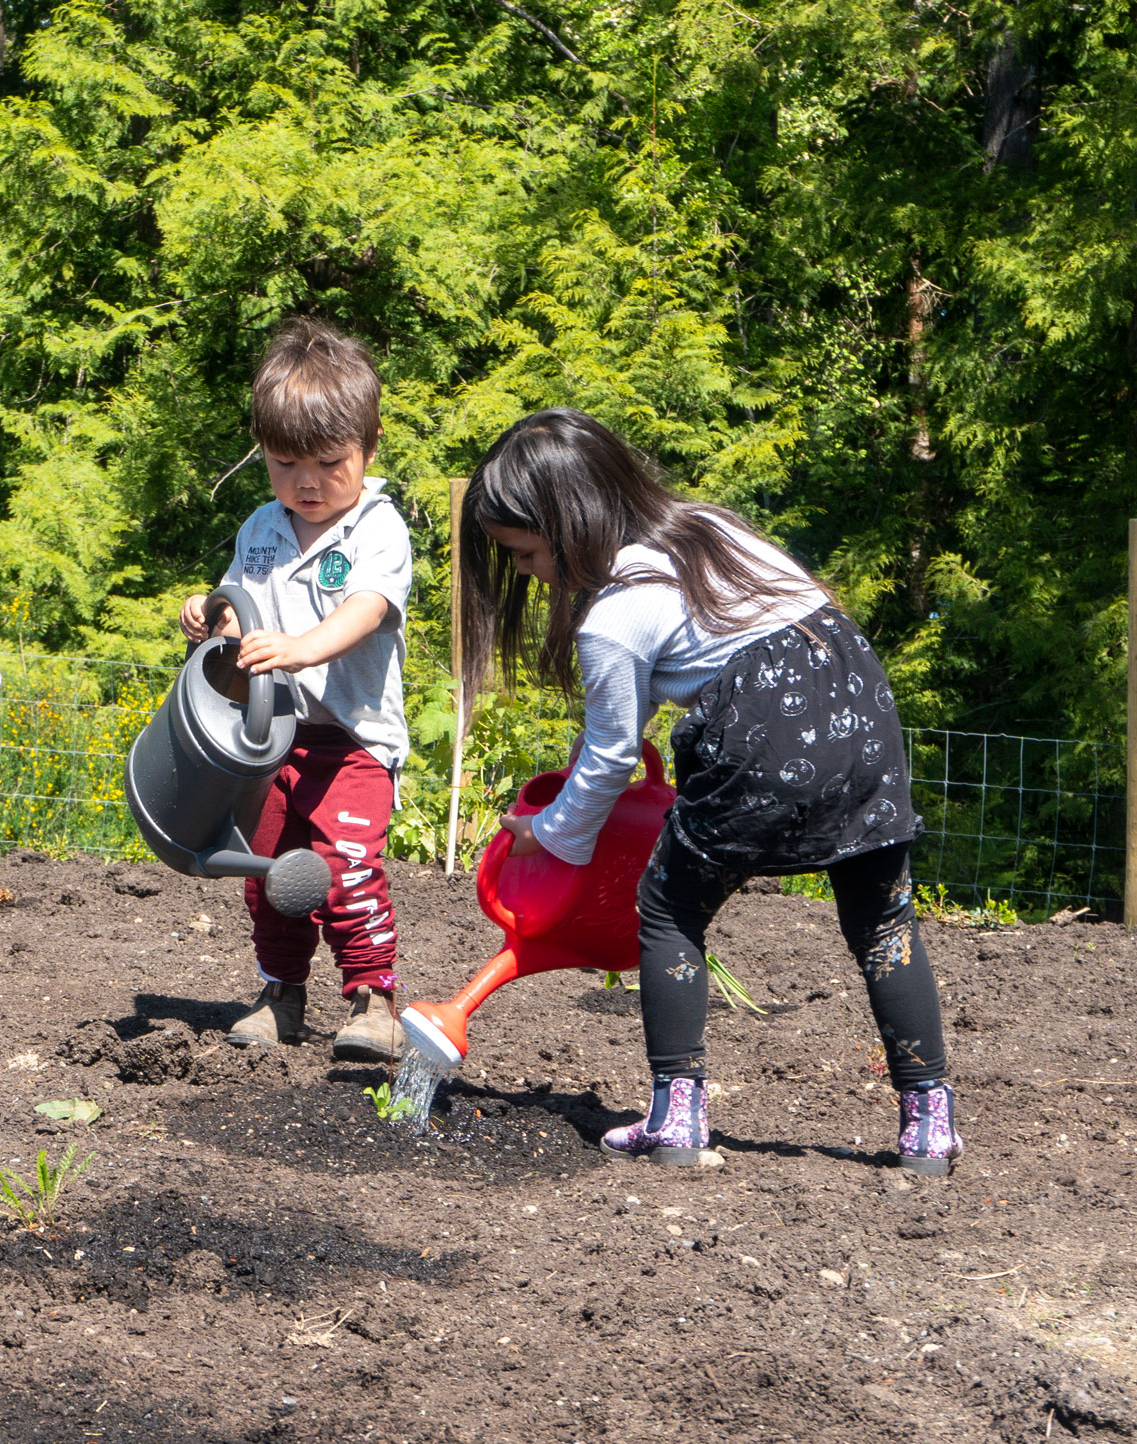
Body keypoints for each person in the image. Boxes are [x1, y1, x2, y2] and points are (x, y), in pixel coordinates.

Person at [461, 408, 958, 1175]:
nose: (529, 572)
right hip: (858, 697)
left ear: (571, 523)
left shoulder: (613, 616)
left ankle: (677, 1117)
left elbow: (611, 758)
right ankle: (929, 1126)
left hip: (764, 724)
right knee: (883, 921)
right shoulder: (709, 530)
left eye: (527, 554)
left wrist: (549, 830)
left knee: (669, 907)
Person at [180, 318, 414, 1063]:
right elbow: (238, 609)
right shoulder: (260, 527)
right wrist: (210, 613)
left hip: (353, 742)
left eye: (328, 463)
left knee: (345, 867)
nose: (306, 483)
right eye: (284, 464)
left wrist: (300, 648)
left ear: (369, 445)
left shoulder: (378, 529)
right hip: (270, 736)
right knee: (268, 871)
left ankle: (374, 1000)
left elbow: (367, 608)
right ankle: (279, 993)